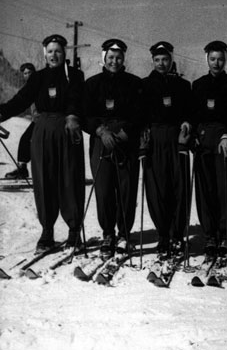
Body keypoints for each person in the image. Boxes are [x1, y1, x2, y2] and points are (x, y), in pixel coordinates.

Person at [0, 35, 85, 253]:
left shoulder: (74, 75)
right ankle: (47, 231)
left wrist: (73, 114)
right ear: (44, 53)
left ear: (64, 52)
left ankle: (74, 230)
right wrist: (2, 114)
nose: (53, 55)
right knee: (44, 180)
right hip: (43, 131)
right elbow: (21, 99)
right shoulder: (38, 77)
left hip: (67, 128)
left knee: (69, 178)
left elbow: (77, 98)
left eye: (57, 51)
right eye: (49, 52)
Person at [83, 39, 143, 260]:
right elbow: (85, 115)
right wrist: (100, 131)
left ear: (123, 59)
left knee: (126, 190)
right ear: (104, 58)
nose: (114, 62)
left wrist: (127, 131)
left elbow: (140, 113)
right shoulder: (92, 84)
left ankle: (124, 233)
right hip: (102, 140)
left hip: (126, 140)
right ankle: (108, 233)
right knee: (104, 189)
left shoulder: (134, 83)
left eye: (118, 57)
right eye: (110, 57)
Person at [140, 41, 192, 257]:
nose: (162, 63)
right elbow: (139, 114)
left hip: (176, 139)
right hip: (154, 140)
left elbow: (190, 111)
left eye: (165, 59)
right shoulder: (144, 85)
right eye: (157, 60)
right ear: (153, 61)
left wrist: (188, 122)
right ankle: (163, 234)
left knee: (179, 187)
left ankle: (178, 235)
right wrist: (142, 139)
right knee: (156, 188)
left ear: (172, 60)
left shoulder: (182, 85)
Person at [191, 40, 227, 264]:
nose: (216, 63)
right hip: (203, 142)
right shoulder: (198, 85)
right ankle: (210, 235)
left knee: (225, 189)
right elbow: (193, 115)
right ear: (207, 60)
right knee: (206, 190)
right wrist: (191, 130)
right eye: (212, 59)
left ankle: (224, 235)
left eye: (220, 59)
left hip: (223, 143)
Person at [5, 63, 37, 179]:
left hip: (43, 120)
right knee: (26, 140)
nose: (27, 75)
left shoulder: (37, 84)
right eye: (25, 73)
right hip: (36, 120)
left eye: (29, 73)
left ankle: (23, 168)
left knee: (27, 140)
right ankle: (22, 168)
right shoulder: (27, 88)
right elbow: (19, 104)